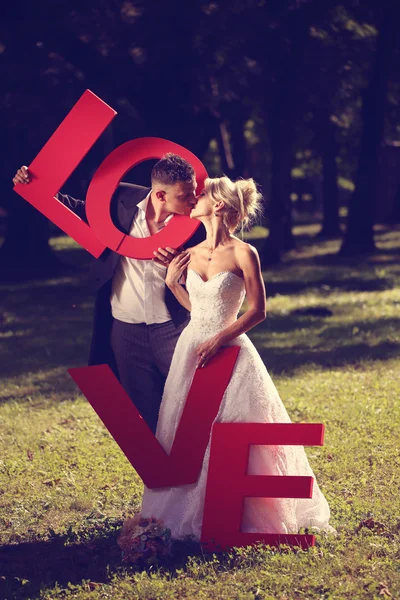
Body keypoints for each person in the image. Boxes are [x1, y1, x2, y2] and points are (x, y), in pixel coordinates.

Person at [139, 175, 334, 539]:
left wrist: (219, 340)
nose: (194, 197)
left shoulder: (245, 253)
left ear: (218, 206)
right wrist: (171, 285)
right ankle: (186, 512)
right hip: (192, 348)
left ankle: (244, 514)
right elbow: (197, 309)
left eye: (202, 194)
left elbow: (257, 311)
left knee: (233, 424)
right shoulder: (191, 253)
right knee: (187, 430)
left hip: (229, 349)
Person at [12, 154, 205, 433]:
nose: (193, 201)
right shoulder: (120, 198)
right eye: (186, 195)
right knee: (145, 409)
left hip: (173, 327)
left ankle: (197, 470)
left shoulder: (195, 224)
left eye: (194, 194)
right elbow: (76, 212)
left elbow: (211, 267)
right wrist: (34, 184)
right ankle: (165, 474)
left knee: (190, 404)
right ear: (161, 194)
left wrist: (179, 268)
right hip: (125, 328)